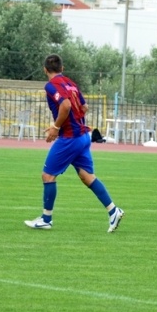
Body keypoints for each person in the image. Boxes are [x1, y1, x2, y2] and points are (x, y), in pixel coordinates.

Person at [24, 54, 124, 232]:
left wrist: (56, 127)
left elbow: (66, 106)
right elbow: (84, 107)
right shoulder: (71, 83)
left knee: (47, 176)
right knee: (87, 177)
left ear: (45, 69)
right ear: (62, 68)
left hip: (70, 138)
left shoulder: (51, 86)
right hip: (83, 136)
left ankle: (46, 219)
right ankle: (113, 211)